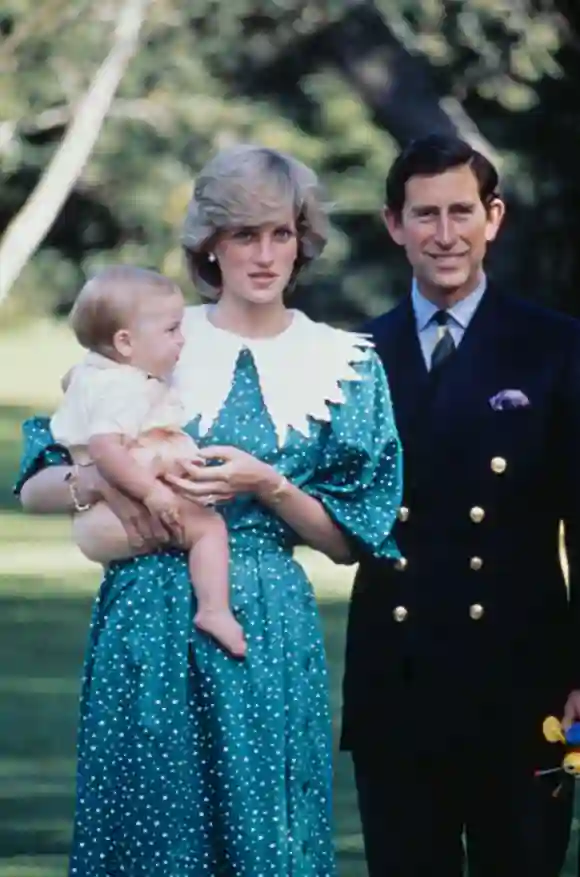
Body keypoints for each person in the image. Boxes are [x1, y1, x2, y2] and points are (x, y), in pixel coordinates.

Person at [15, 144, 403, 876]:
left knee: (266, 844)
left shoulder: (345, 363)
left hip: (261, 622)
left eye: (280, 233)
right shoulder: (152, 336)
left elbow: (355, 539)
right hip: (144, 617)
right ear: (210, 244)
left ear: (302, 240)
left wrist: (268, 484)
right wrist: (103, 481)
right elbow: (36, 481)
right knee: (149, 841)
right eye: (243, 234)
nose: (264, 254)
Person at [341, 133, 580, 877]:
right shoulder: (353, 357)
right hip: (398, 682)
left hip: (529, 679)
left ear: (494, 217)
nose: (444, 235)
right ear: (393, 224)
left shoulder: (559, 347)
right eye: (424, 215)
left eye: (461, 212)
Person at [51, 265, 246, 657]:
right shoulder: (123, 389)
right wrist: (153, 492)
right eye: (171, 330)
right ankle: (214, 610)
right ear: (125, 343)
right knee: (208, 529)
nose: (182, 340)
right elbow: (106, 449)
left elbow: (70, 382)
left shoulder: (92, 374)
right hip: (115, 514)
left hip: (98, 518)